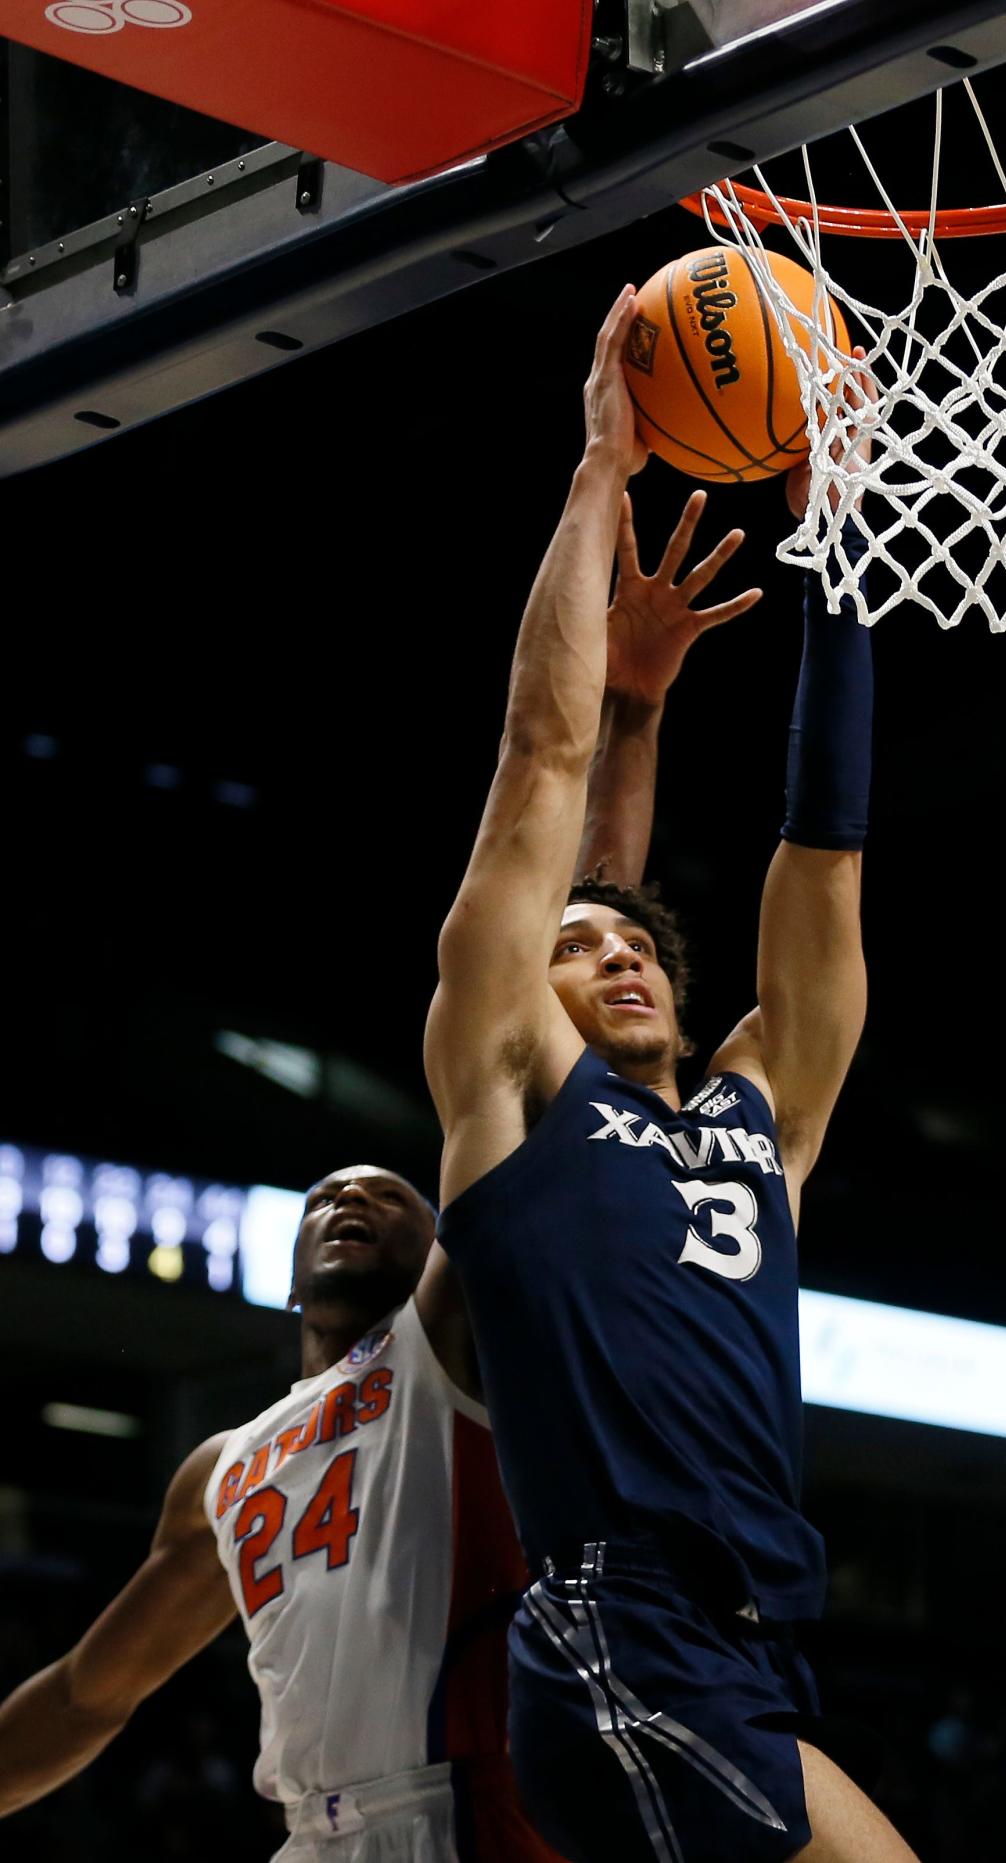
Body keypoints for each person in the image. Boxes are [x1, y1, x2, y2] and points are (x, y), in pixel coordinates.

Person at [0, 485, 756, 1862]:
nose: (351, 1194)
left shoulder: (449, 1337)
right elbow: (87, 1694)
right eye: (324, 1197)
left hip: (481, 1813)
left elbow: (560, 959)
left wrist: (634, 716)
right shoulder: (221, 1474)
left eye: (389, 1194)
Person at [425, 287, 919, 1862]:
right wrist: (598, 476)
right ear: (539, 1002)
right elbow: (539, 766)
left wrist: (835, 551)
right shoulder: (515, 1099)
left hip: (752, 1643)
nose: (613, 950)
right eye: (573, 944)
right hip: (615, 1628)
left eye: (629, 940)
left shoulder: (756, 1122)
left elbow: (822, 861)